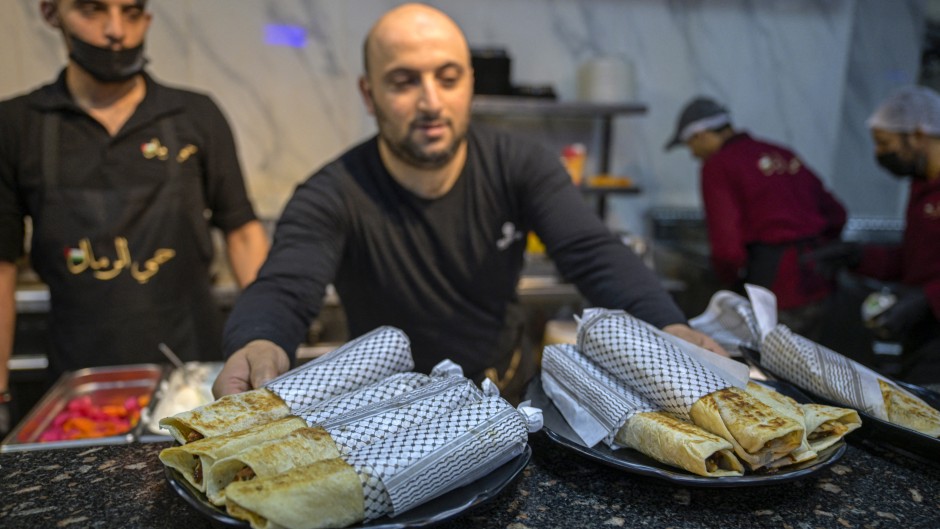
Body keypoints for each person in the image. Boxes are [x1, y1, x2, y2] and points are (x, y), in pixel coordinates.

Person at [214, 3, 725, 401]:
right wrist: (258, 341)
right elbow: (286, 283)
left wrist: (667, 324)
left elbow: (591, 250)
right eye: (404, 81)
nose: (431, 102)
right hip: (388, 407)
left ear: (470, 85)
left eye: (448, 77)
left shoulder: (519, 165)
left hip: (503, 391)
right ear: (369, 95)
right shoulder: (333, 192)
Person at [0, 0, 269, 433]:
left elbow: (242, 233)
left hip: (195, 378)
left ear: (147, 18)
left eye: (131, 11)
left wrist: (266, 337)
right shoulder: (17, 126)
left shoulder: (196, 115)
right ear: (51, 14)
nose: (115, 31)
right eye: (92, 10)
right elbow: (2, 266)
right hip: (81, 394)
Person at [665, 97, 847, 339]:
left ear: (701, 135)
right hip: (822, 285)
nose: (693, 154)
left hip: (775, 291)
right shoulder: (780, 153)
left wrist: (728, 284)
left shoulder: (719, 165)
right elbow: (837, 215)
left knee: (766, 371)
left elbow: (727, 250)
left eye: (690, 145)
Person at [806, 86, 940, 385]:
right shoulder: (922, 188)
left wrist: (927, 298)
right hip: (922, 335)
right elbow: (915, 260)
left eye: (884, 143)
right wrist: (858, 256)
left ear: (918, 134)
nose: (879, 153)